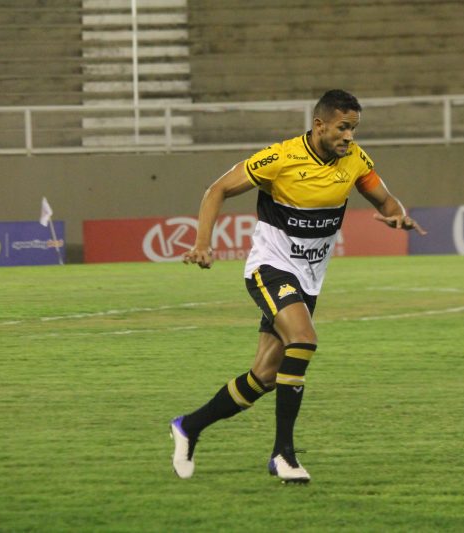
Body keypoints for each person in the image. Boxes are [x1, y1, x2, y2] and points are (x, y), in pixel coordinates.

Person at [171, 89, 426, 483]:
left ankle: (189, 426)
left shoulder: (355, 161)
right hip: (270, 267)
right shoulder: (281, 158)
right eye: (343, 128)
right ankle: (282, 455)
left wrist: (398, 217)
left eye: (354, 129)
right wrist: (203, 243)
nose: (350, 137)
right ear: (319, 125)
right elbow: (217, 189)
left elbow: (387, 201)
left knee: (265, 377)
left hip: (309, 277)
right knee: (303, 340)